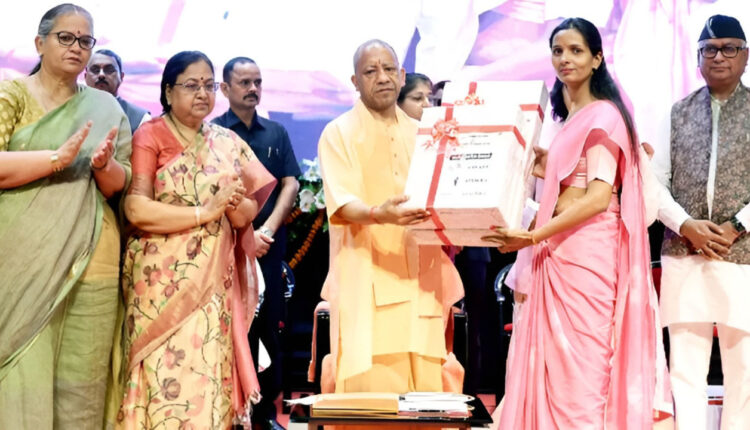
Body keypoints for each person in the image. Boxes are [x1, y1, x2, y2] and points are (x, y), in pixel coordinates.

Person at [484, 18, 657, 428]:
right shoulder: (572, 116)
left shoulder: (605, 115)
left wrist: (532, 236)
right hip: (558, 249)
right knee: (555, 369)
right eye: (558, 51)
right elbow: (572, 177)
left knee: (582, 371)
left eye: (576, 50)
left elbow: (597, 198)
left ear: (597, 58)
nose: (565, 59)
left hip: (586, 256)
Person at [116, 50, 276, 429]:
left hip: (212, 284)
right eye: (191, 85)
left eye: (208, 85)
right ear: (168, 92)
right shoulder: (150, 135)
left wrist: (233, 205)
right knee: (161, 369)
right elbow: (136, 208)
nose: (202, 93)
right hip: (159, 283)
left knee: (206, 368)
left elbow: (248, 211)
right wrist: (205, 212)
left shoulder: (227, 141)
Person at [0, 3, 132, 429]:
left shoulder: (105, 107)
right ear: (40, 43)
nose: (77, 47)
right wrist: (56, 158)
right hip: (24, 255)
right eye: (66, 38)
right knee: (24, 367)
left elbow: (119, 185)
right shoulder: (12, 94)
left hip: (94, 255)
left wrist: (104, 166)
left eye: (85, 41)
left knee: (83, 380)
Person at [317, 39, 464, 394]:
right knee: (373, 390)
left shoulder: (425, 133)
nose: (382, 77)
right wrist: (378, 214)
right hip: (366, 273)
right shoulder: (339, 132)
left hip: (421, 274)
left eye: (388, 69)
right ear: (355, 81)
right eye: (370, 71)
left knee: (426, 388)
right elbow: (342, 204)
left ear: (401, 75)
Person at [654, 14, 750, 429]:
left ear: (745, 56)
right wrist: (685, 225)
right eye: (709, 49)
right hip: (685, 252)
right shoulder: (677, 113)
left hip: (742, 254)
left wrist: (737, 226)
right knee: (685, 369)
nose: (719, 57)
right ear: (697, 58)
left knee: (744, 369)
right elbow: (654, 182)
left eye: (729, 48)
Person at [213, 56, 300, 430]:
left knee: (269, 326)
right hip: (227, 249)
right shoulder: (214, 133)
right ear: (224, 88)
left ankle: (265, 415)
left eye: (258, 82)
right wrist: (246, 237)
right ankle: (230, 412)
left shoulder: (276, 133)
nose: (253, 89)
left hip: (268, 246)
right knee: (233, 326)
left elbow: (290, 183)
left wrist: (265, 230)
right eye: (244, 82)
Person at [85, 48, 150, 134]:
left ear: (121, 77)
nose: (101, 75)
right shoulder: (72, 111)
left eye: (109, 70)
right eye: (95, 70)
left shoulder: (141, 119)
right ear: (85, 76)